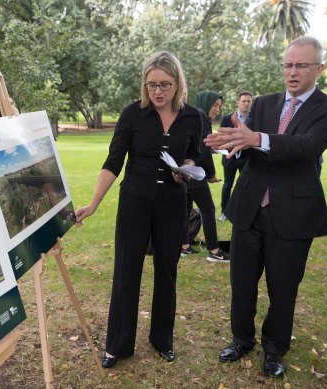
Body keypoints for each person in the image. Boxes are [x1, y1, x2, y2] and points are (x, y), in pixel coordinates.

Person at [205, 36, 327, 379]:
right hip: (249, 208)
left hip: (293, 214)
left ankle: (274, 350)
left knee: (283, 289)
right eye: (287, 65)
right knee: (241, 282)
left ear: (319, 68)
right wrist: (235, 145)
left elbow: (307, 146)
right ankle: (241, 339)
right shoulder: (265, 104)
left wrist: (257, 139)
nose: (292, 72)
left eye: (301, 65)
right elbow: (250, 146)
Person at [75, 51, 202, 368]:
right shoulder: (132, 114)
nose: (157, 92)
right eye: (151, 85)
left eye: (165, 85)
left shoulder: (194, 117)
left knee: (167, 273)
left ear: (177, 84)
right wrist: (93, 204)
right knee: (126, 273)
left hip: (173, 204)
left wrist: (185, 168)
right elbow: (113, 161)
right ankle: (117, 345)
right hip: (134, 202)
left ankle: (162, 339)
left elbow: (196, 157)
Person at [181, 90, 229, 263]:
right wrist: (211, 175)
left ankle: (184, 247)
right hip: (195, 172)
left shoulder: (192, 114)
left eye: (219, 106)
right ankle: (214, 251)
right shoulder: (200, 116)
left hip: (183, 170)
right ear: (206, 102)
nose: (216, 109)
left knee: (185, 209)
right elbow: (203, 150)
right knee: (208, 209)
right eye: (215, 105)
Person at [218, 91, 252, 221]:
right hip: (229, 158)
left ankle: (244, 212)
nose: (246, 103)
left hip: (246, 159)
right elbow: (221, 137)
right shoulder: (227, 118)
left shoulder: (253, 119)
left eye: (249, 101)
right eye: (244, 101)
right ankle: (224, 212)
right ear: (237, 102)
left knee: (245, 186)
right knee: (227, 185)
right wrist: (232, 143)